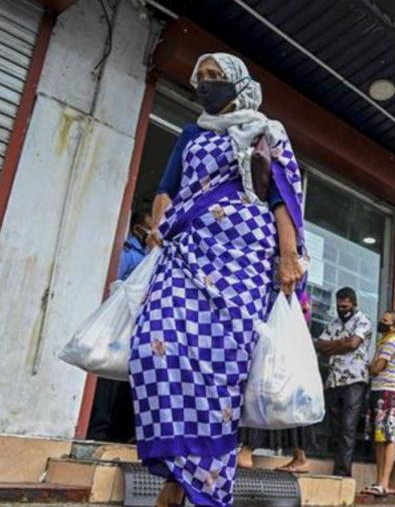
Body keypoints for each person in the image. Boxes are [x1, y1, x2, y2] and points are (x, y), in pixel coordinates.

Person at [131, 53, 308, 507]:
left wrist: (288, 255)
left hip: (242, 262)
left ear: (239, 83)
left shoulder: (267, 131)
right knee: (156, 345)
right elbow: (167, 190)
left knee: (220, 373)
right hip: (185, 252)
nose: (206, 83)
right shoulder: (192, 133)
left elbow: (282, 196)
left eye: (216, 77)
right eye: (201, 77)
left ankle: (190, 487)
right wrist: (157, 231)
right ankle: (175, 469)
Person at [87, 209, 153, 443]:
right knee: (109, 380)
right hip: (117, 328)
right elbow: (112, 283)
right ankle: (99, 432)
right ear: (139, 229)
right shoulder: (129, 253)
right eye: (150, 225)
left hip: (137, 328)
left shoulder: (149, 255)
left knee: (129, 381)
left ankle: (121, 432)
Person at [237, 296, 313, 474]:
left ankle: (246, 451)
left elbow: (301, 311)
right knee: (287, 407)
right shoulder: (289, 292)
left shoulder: (288, 292)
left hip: (280, 355)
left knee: (263, 399)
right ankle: (299, 457)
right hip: (282, 354)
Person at [312, 287, 372, 477]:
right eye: (339, 306)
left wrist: (335, 345)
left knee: (348, 427)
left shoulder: (363, 320)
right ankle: (338, 467)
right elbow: (320, 346)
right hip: (334, 380)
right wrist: (341, 343)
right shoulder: (334, 323)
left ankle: (342, 474)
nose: (342, 310)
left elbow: (353, 344)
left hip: (354, 380)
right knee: (336, 428)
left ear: (354, 304)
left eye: (345, 306)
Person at [361, 310, 395, 497]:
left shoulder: (391, 343)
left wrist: (369, 366)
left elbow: (376, 368)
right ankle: (379, 481)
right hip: (378, 392)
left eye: (385, 321)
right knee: (379, 438)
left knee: (386, 437)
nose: (381, 322)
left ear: (394, 326)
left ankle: (384, 481)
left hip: (386, 393)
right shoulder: (384, 343)